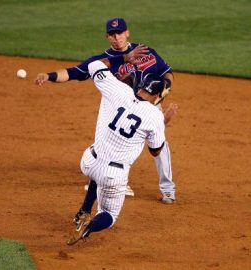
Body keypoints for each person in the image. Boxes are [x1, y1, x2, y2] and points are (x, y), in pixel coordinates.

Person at [35, 18, 176, 203]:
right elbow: (72, 72)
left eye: (120, 33)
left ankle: (167, 189)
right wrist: (49, 75)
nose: (117, 38)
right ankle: (105, 177)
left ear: (127, 33)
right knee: (110, 140)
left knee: (159, 143)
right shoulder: (102, 61)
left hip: (148, 105)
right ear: (107, 37)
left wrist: (162, 92)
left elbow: (167, 73)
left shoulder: (147, 52)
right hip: (117, 109)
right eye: (112, 34)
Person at [64, 46, 178, 245]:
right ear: (158, 96)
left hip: (89, 161)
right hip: (113, 176)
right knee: (109, 214)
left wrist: (124, 58)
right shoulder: (154, 117)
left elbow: (94, 65)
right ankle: (88, 227)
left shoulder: (119, 90)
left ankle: (83, 212)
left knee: (96, 169)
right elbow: (155, 151)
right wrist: (164, 122)